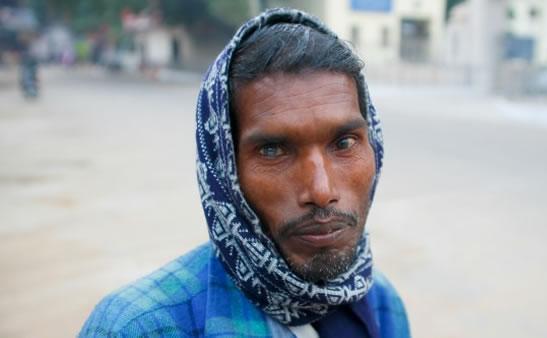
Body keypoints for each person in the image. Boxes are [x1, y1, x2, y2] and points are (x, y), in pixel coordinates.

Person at [80, 8, 410, 338]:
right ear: (225, 174)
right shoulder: (138, 328)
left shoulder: (382, 302)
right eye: (272, 150)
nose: (321, 190)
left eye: (344, 142)